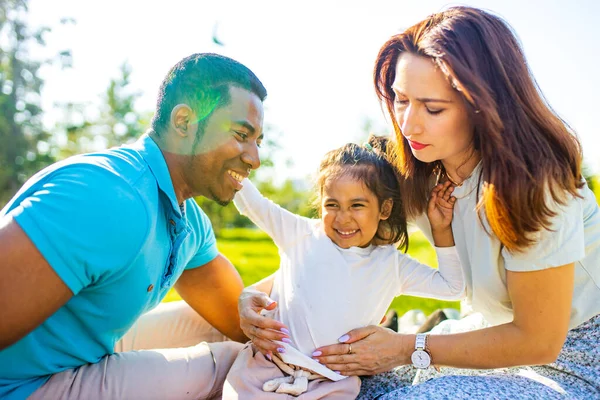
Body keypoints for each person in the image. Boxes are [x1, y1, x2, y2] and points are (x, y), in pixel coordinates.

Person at [239, 6, 600, 399]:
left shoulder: (537, 184)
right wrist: (254, 296)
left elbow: (538, 341)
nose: (409, 125)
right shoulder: (413, 166)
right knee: (341, 385)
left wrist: (406, 348)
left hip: (572, 363)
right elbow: (329, 246)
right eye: (400, 100)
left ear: (484, 105)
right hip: (479, 336)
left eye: (433, 108)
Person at [0, 53, 267, 400]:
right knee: (235, 365)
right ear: (184, 122)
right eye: (241, 134)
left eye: (257, 141)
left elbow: (240, 321)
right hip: (23, 384)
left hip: (84, 352)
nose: (255, 158)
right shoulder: (108, 197)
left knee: (243, 337)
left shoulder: (188, 221)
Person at [227, 136, 465, 399]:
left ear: (384, 208)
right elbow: (252, 203)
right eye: (332, 205)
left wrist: (441, 230)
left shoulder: (390, 264)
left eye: (357, 205)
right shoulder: (302, 235)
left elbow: (453, 287)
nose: (343, 218)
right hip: (266, 368)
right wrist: (231, 152)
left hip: (334, 384)